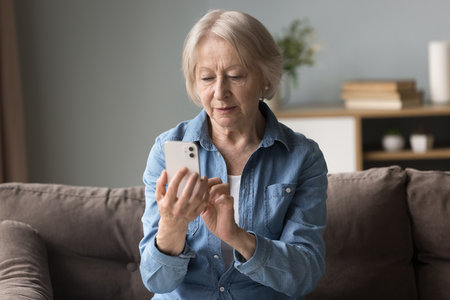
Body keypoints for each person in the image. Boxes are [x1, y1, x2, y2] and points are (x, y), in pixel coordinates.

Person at [139, 9, 328, 300]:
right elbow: (156, 281)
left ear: (265, 80)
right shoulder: (167, 150)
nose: (219, 92)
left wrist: (238, 237)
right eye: (206, 78)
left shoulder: (302, 157)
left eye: (235, 76)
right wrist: (172, 227)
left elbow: (304, 275)